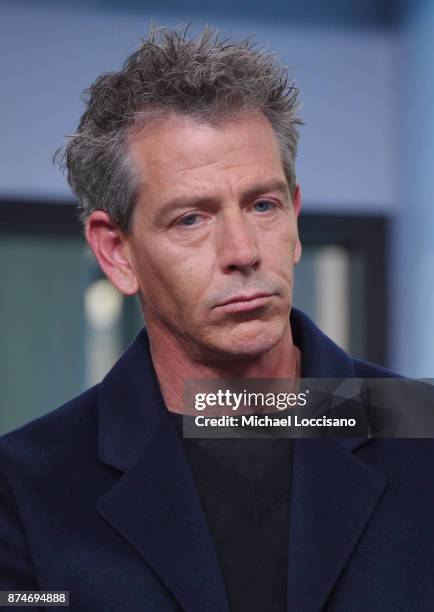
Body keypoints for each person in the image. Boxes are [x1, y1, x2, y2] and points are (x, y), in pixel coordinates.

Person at [0, 25, 433, 612]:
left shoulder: (421, 429)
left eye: (262, 205)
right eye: (191, 220)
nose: (243, 251)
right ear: (116, 251)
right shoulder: (25, 487)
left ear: (295, 216)